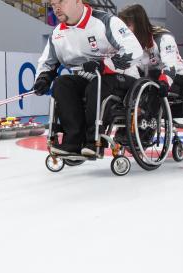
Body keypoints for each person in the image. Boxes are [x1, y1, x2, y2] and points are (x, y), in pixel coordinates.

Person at [33, 0, 143, 157]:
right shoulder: (57, 34)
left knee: (97, 85)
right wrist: (43, 78)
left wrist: (104, 65)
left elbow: (134, 49)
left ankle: (94, 141)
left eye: (61, 2)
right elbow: (48, 63)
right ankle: (73, 142)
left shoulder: (105, 21)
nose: (56, 7)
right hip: (90, 80)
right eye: (53, 4)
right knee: (62, 83)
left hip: (122, 77)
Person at [117, 4, 183, 120]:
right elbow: (130, 67)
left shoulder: (164, 38)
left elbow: (170, 65)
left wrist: (164, 82)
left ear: (139, 24)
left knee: (153, 81)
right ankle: (127, 124)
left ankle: (146, 122)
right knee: (129, 82)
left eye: (128, 25)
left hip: (176, 76)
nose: (125, 30)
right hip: (149, 76)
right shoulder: (130, 43)